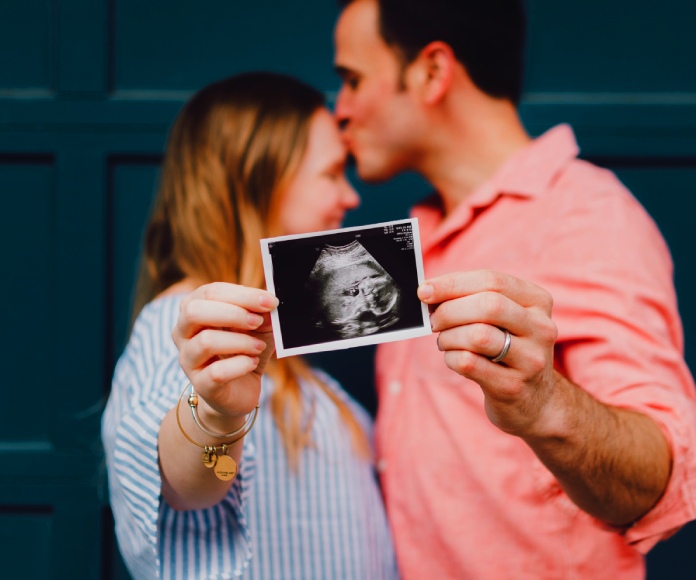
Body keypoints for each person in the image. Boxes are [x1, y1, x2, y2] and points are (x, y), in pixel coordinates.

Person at [332, 0, 696, 578]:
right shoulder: (410, 241)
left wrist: (543, 402)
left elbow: (661, 480)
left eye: (352, 79)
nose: (340, 111)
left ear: (432, 72)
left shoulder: (587, 217)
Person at [101, 71, 399, 580]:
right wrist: (216, 414)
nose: (350, 197)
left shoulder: (282, 355)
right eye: (330, 173)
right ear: (255, 182)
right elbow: (183, 484)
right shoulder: (184, 329)